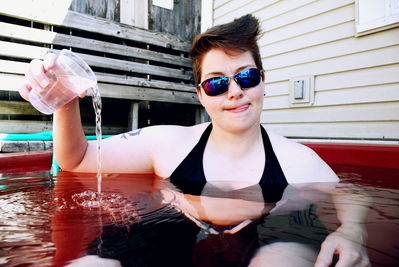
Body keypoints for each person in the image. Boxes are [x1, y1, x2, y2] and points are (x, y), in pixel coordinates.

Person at [20, 14, 370, 267]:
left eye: (245, 77)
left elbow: (351, 194)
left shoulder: (296, 160)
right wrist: (63, 101)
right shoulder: (168, 144)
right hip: (171, 227)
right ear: (201, 95)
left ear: (263, 81)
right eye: (217, 83)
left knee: (285, 258)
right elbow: (77, 159)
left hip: (269, 232)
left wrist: (352, 232)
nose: (234, 92)